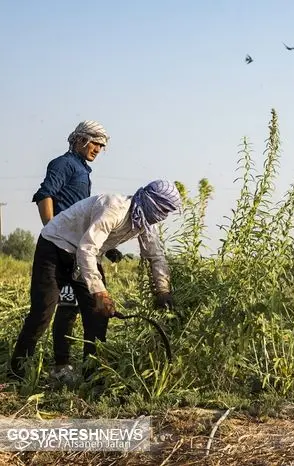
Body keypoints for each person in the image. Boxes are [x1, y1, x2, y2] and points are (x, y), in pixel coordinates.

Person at [9, 180, 181, 381]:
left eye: (168, 211)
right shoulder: (115, 208)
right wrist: (100, 292)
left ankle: (93, 376)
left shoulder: (143, 222)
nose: (163, 215)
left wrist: (162, 291)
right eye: (163, 209)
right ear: (150, 200)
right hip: (55, 246)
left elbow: (156, 256)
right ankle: (16, 372)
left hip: (85, 255)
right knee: (42, 312)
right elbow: (87, 248)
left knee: (98, 317)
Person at [31, 120, 122, 383]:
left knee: (88, 307)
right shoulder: (63, 164)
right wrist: (51, 230)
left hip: (79, 248)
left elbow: (88, 220)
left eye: (102, 146)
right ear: (81, 139)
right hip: (62, 248)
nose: (98, 149)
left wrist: (110, 247)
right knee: (67, 307)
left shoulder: (83, 169)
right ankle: (61, 366)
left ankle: (92, 368)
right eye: (95, 143)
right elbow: (45, 194)